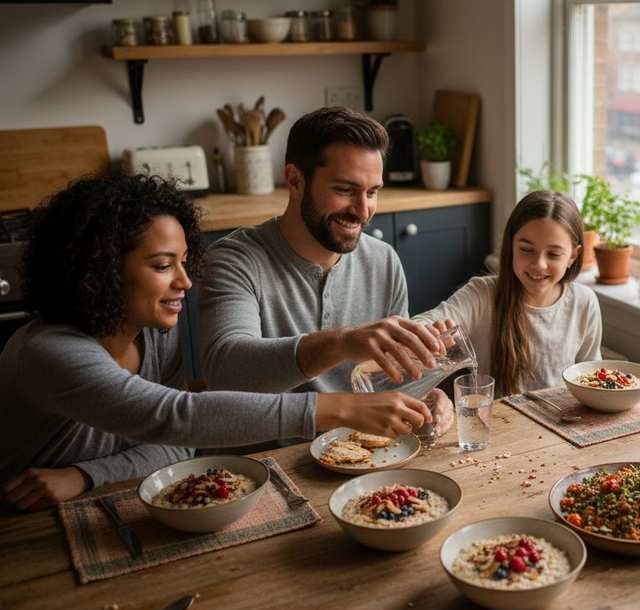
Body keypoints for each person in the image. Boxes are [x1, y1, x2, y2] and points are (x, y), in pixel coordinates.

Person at [0, 174, 435, 512]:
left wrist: (82, 476)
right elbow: (173, 416)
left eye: (184, 262)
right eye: (161, 265)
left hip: (102, 500)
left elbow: (175, 446)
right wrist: (340, 409)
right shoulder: (48, 352)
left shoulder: (153, 335)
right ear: (101, 270)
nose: (185, 281)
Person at [198, 107, 453, 451]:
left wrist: (426, 393)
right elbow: (226, 373)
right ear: (295, 180)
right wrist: (342, 342)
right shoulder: (234, 260)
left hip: (360, 459)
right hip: (261, 469)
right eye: (345, 189)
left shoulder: (383, 261)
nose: (363, 211)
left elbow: (384, 381)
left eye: (373, 192)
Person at [413, 190, 602, 397]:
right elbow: (424, 322)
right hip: (499, 425)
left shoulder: (584, 302)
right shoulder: (481, 295)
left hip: (560, 423)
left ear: (573, 257)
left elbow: (592, 378)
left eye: (554, 254)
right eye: (526, 249)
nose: (539, 264)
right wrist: (429, 330)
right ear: (511, 246)